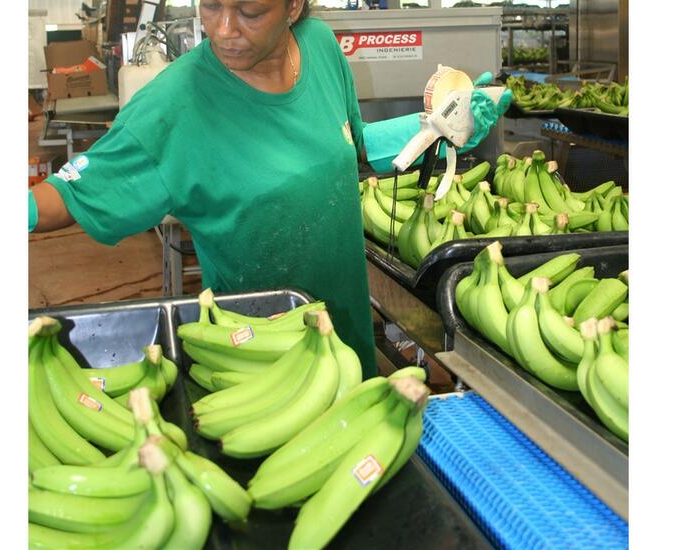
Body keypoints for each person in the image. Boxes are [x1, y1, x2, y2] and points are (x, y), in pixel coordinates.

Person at [29, 0, 511, 379]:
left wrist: (438, 124)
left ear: (294, 7)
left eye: (251, 11)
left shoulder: (321, 48)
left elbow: (351, 146)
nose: (223, 29)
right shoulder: (174, 106)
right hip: (260, 351)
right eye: (211, 5)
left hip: (345, 328)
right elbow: (68, 196)